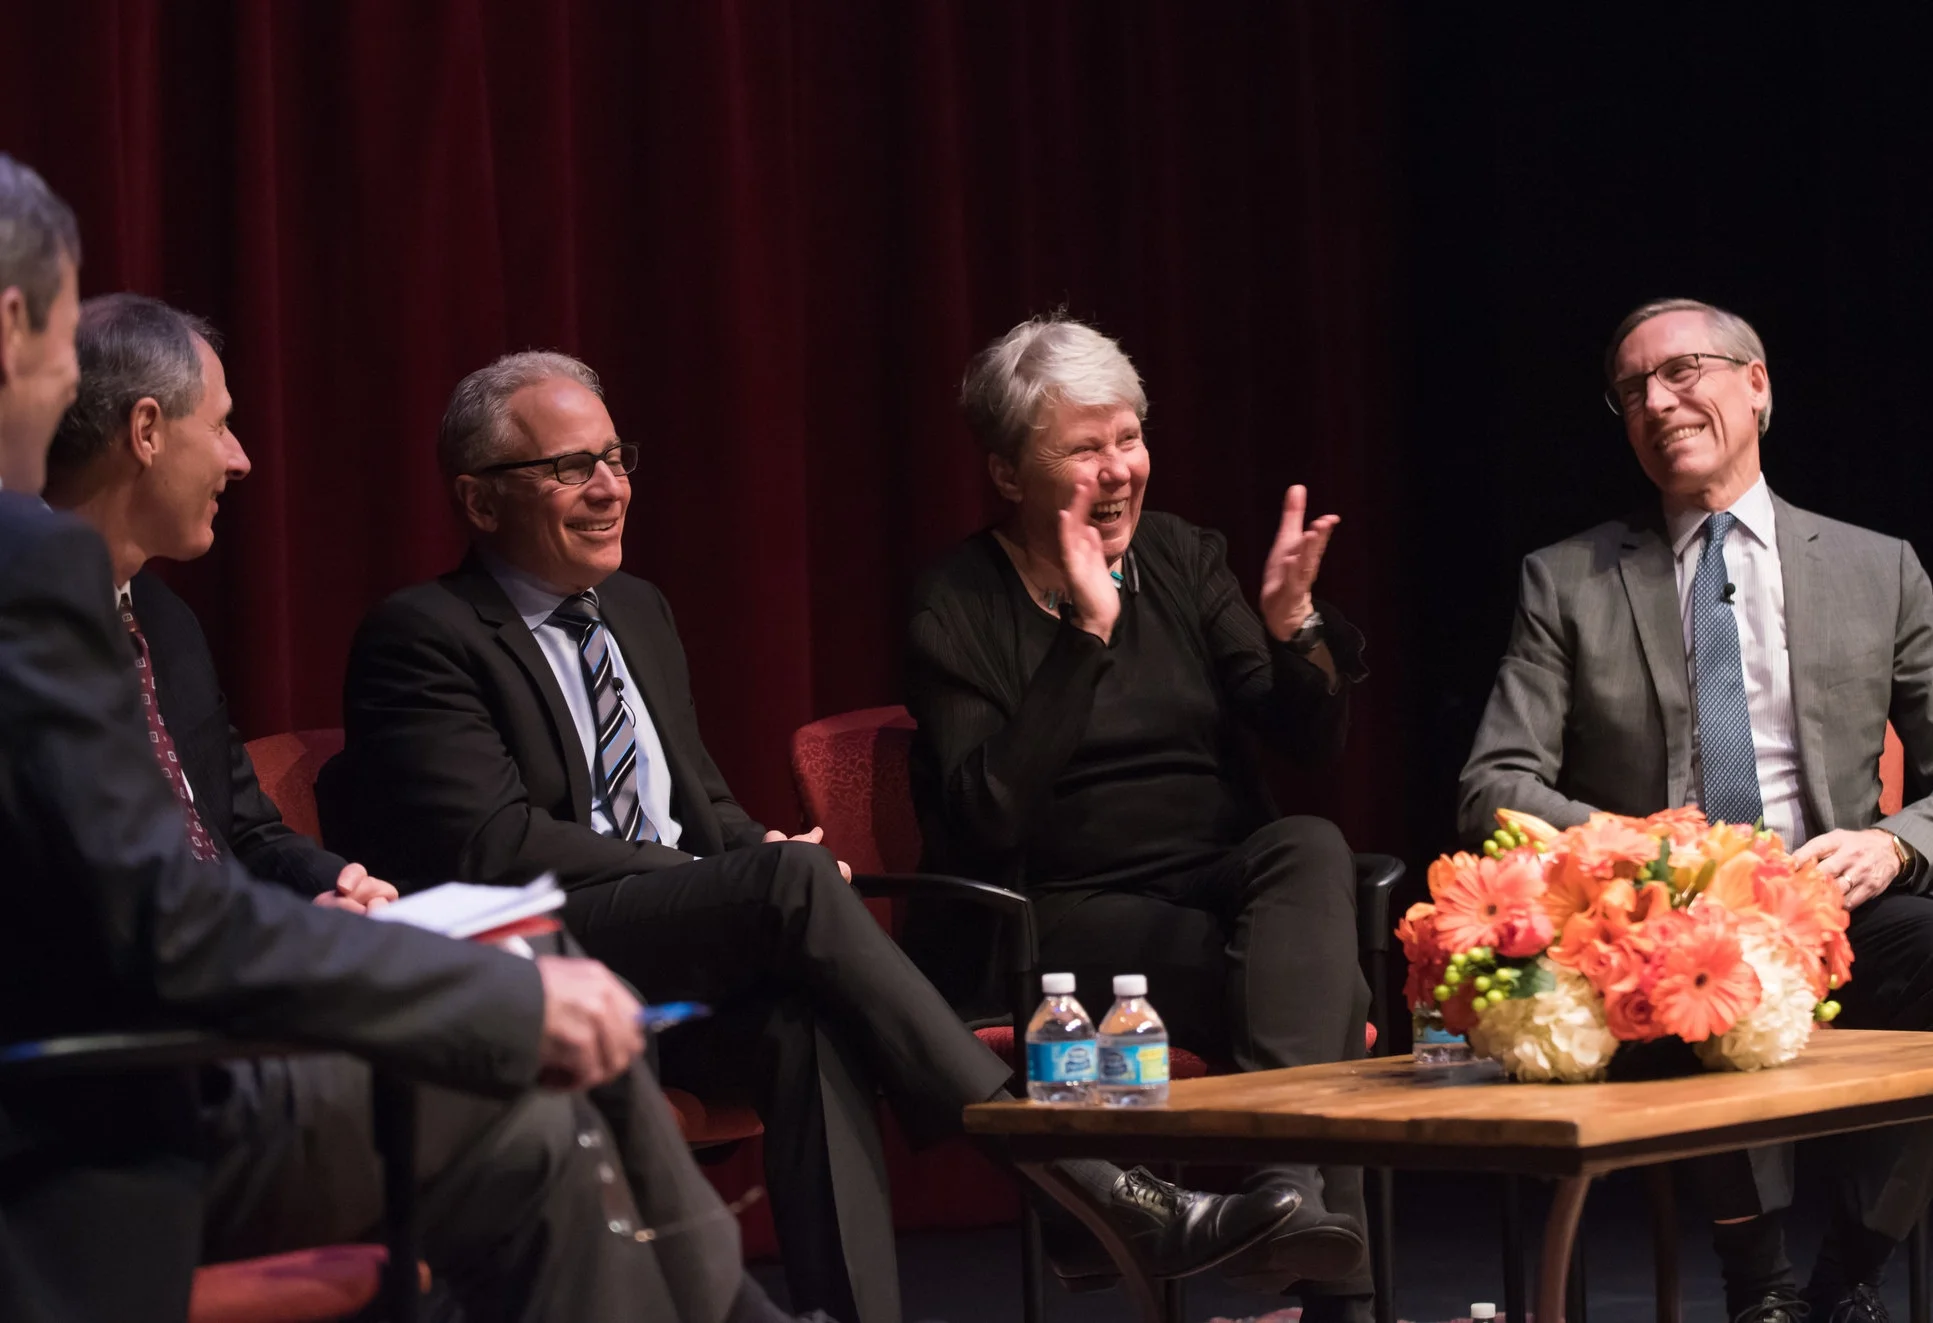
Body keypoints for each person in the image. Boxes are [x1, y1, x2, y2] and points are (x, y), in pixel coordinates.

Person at [316, 349, 1313, 1323]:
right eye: (569, 467)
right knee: (787, 885)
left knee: (809, 1023)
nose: (609, 488)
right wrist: (739, 874)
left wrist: (756, 845)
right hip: (533, 957)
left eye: (616, 458)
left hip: (663, 956)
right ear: (480, 499)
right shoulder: (426, 634)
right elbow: (494, 847)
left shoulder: (636, 610)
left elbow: (700, 805)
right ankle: (1088, 1183)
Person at [35, 290, 827, 1323]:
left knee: (551, 1035)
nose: (241, 459)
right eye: (221, 425)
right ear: (146, 431)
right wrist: (410, 970)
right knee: (542, 1081)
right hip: (147, 1085)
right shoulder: (34, 645)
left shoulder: (165, 626)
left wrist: (335, 882)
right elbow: (148, 922)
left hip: (229, 1022)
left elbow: (241, 826)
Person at [1460, 297, 1933, 1323]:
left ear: (1755, 385)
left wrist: (1894, 846)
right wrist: (1651, 857)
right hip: (1659, 916)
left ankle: (1851, 1273)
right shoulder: (1568, 579)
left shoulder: (1877, 567)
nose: (1656, 402)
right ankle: (1757, 1286)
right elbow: (1494, 779)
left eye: (1681, 372)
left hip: (1831, 903)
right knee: (1688, 960)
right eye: (1631, 390)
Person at [901, 313, 1374, 1313]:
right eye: (1084, 449)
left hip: (1211, 881)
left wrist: (1294, 627)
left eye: (1129, 437)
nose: (1118, 469)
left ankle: (1282, 1197)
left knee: (1309, 845)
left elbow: (1306, 740)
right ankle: (1327, 1269)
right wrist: (1083, 636)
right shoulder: (955, 602)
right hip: (1058, 915)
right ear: (1006, 474)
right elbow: (984, 816)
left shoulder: (1180, 555)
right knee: (1309, 980)